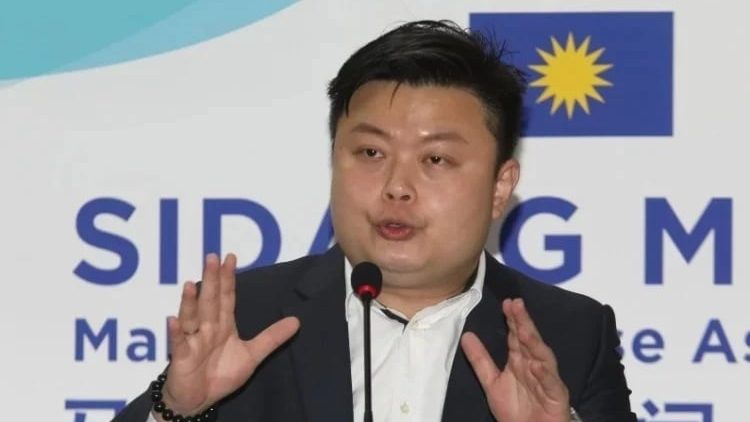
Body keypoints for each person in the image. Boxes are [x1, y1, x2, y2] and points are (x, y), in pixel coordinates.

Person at [113, 20, 636, 422]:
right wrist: (177, 411)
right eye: (370, 153)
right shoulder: (247, 316)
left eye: (435, 159)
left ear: (500, 186)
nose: (396, 186)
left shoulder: (568, 333)